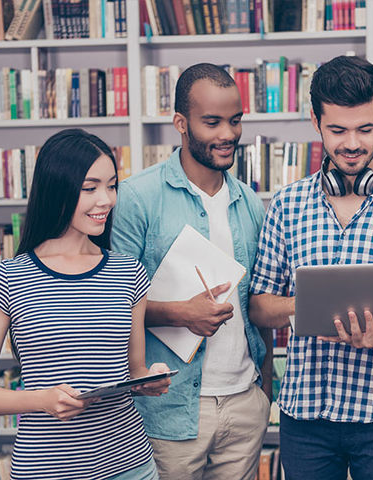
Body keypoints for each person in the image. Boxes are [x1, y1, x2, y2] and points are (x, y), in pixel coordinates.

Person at [248, 55, 373, 480]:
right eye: (338, 130)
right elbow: (259, 306)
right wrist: (304, 305)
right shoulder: (287, 203)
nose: (352, 143)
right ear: (316, 122)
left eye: (365, 129)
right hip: (305, 413)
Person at [0, 128, 172, 480]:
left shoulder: (128, 272)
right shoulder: (8, 278)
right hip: (45, 469)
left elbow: (134, 369)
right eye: (90, 188)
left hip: (130, 465)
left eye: (111, 185)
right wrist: (42, 400)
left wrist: (150, 379)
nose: (106, 200)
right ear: (57, 189)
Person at [111, 63, 271, 480]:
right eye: (212, 122)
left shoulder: (252, 205)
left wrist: (263, 392)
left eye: (235, 121)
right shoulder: (136, 198)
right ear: (181, 123)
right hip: (170, 407)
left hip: (243, 401)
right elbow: (109, 306)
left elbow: (258, 302)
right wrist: (182, 313)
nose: (228, 134)